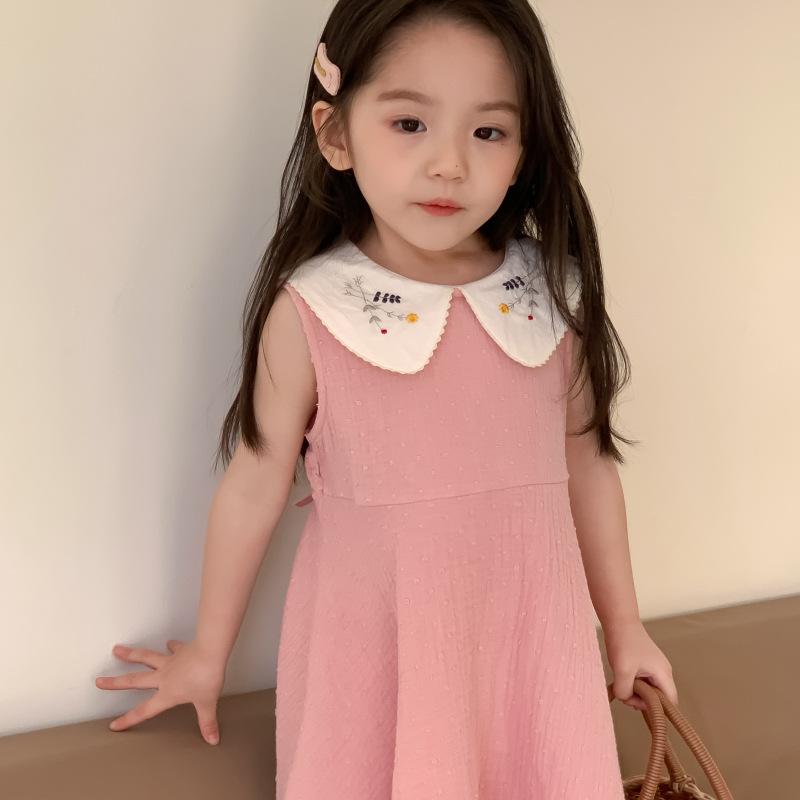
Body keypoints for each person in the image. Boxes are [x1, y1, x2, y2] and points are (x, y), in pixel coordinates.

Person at [95, 1, 679, 797]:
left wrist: (626, 627)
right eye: (409, 124)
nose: (449, 164)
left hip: (531, 654)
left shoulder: (551, 293)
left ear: (524, 152)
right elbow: (256, 484)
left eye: (489, 131)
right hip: (378, 661)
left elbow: (589, 464)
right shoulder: (314, 310)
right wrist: (207, 653)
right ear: (336, 132)